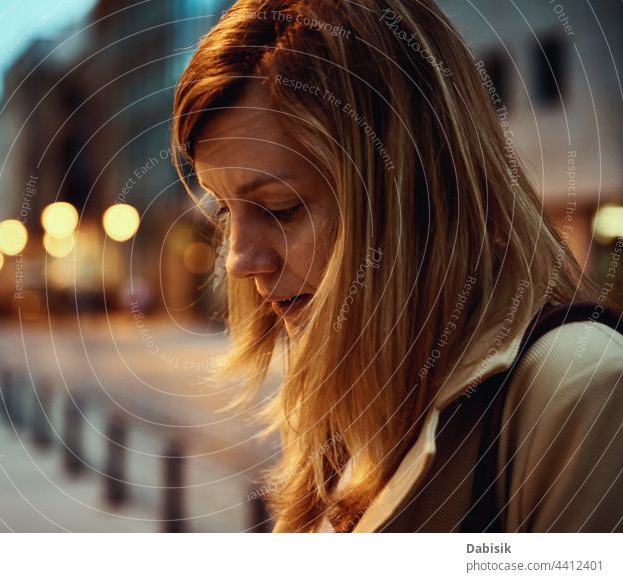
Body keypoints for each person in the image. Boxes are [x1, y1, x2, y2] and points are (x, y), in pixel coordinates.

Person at [171, 0, 623, 532]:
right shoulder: (348, 399)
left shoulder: (583, 390)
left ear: (409, 187)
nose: (241, 261)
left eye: (279, 207)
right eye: (226, 211)